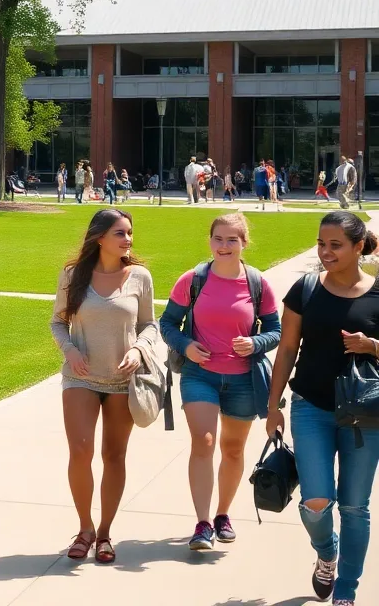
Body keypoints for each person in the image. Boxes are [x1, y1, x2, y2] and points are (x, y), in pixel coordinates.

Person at [267, 211, 379, 605]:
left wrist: (373, 346)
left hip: (365, 415)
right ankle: (327, 552)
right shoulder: (307, 288)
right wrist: (273, 403)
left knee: (354, 506)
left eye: (335, 245)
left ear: (359, 247)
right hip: (310, 406)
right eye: (321, 243)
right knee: (315, 501)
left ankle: (346, 589)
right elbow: (286, 348)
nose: (326, 252)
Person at [160, 214, 281, 551]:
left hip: (244, 380)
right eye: (218, 239)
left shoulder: (258, 283)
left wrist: (255, 343)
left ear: (244, 243)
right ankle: (201, 524)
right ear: (209, 241)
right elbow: (168, 323)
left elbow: (276, 330)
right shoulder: (193, 280)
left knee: (232, 448)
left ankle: (222, 515)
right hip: (201, 375)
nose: (224, 246)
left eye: (232, 240)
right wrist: (186, 346)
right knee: (205, 440)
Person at [50, 208, 160, 564]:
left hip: (122, 380)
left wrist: (140, 349)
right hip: (80, 376)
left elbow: (149, 325)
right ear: (100, 237)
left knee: (114, 456)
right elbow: (57, 323)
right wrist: (69, 349)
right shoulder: (72, 275)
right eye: (120, 233)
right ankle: (84, 528)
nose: (128, 240)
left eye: (130, 233)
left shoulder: (140, 277)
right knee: (80, 453)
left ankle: (105, 532)